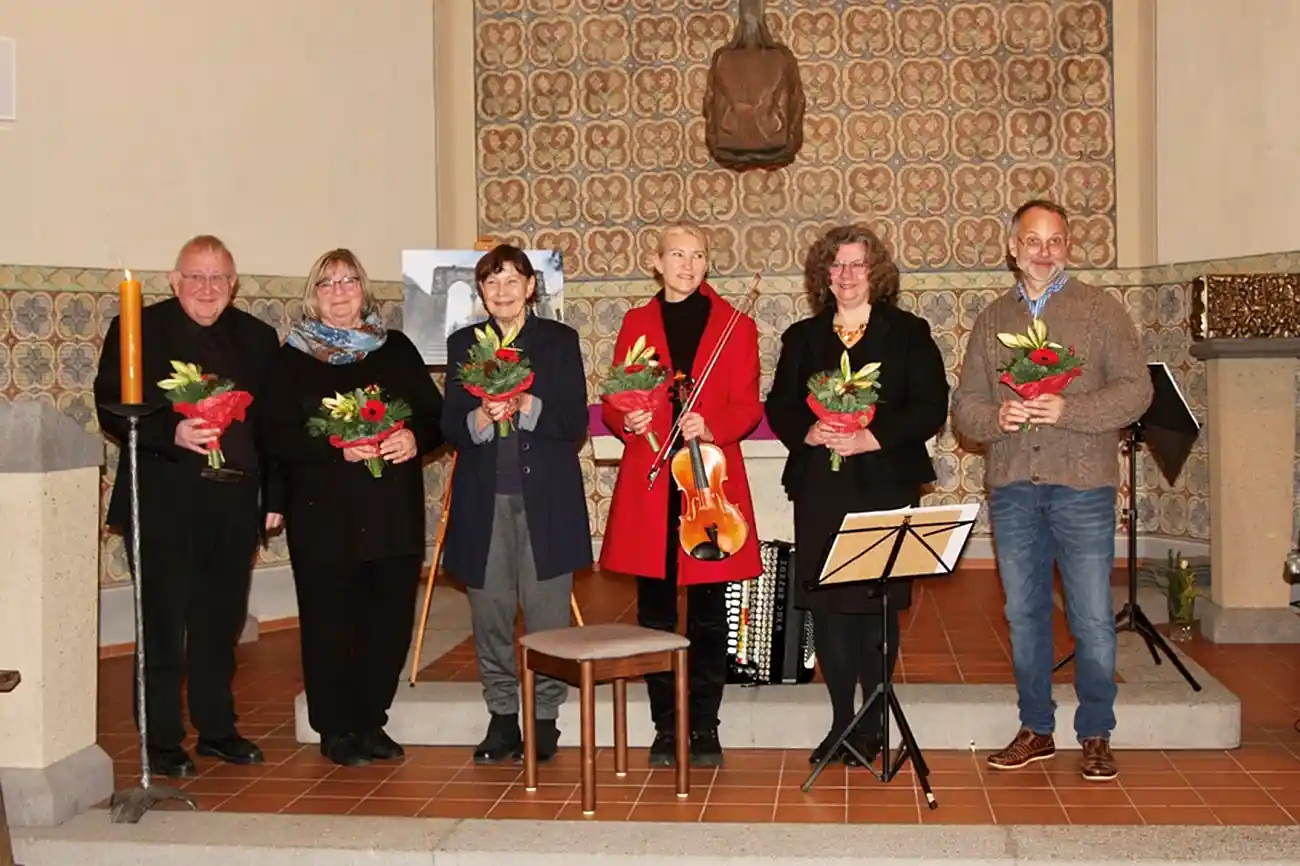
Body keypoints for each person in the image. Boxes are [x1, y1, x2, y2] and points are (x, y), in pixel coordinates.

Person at [951, 199, 1152, 782]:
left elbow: (1136, 391)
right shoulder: (991, 319)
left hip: (1083, 486)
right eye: (1033, 241)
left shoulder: (1100, 310)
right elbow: (965, 406)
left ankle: (1094, 733)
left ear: (1068, 247)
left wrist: (1070, 408)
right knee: (1025, 614)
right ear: (1012, 247)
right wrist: (996, 419)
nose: (1045, 251)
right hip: (1014, 486)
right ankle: (1036, 728)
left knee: (1091, 617)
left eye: (1056, 241)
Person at [93, 234, 282, 777]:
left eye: (218, 278)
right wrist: (169, 430)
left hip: (235, 501)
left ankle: (217, 728)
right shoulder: (138, 329)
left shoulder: (257, 337)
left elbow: (273, 425)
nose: (206, 288)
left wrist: (272, 495)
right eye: (195, 277)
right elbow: (111, 402)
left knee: (219, 624)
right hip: (163, 501)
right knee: (162, 625)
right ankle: (161, 741)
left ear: (233, 284)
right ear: (174, 282)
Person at [765, 224, 949, 765]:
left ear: (876, 273)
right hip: (821, 487)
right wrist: (808, 430)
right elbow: (779, 405)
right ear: (824, 274)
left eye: (856, 265)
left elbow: (930, 405)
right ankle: (842, 720)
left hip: (883, 482)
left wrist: (873, 435)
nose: (846, 275)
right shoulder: (802, 337)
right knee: (828, 609)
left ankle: (872, 721)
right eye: (837, 266)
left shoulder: (908, 332)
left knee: (875, 606)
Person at [262, 249, 445, 767]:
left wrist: (414, 437)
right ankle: (335, 727)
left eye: (348, 281)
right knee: (329, 622)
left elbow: (435, 417)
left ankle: (371, 719)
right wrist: (332, 448)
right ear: (313, 295)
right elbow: (275, 435)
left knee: (387, 620)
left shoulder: (396, 349)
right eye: (327, 283)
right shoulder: (291, 358)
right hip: (323, 512)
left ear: (364, 289)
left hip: (392, 511)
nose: (339, 291)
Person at [600, 221, 763, 768]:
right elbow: (615, 400)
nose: (687, 265)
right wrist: (632, 416)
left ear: (706, 263)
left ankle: (705, 725)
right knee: (655, 615)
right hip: (653, 483)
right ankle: (666, 726)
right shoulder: (636, 323)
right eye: (676, 254)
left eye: (697, 256)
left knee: (711, 614)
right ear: (657, 261)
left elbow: (747, 405)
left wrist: (711, 425)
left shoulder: (735, 326)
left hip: (707, 484)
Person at [441, 244, 592, 764]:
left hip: (546, 499)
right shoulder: (464, 344)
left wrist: (526, 403)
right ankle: (503, 715)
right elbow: (449, 428)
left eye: (512, 281)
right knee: (491, 613)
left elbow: (574, 423)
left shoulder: (557, 341)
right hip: (484, 501)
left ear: (531, 286)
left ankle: (544, 717)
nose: (501, 292)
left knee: (547, 613)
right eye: (491, 283)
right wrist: (482, 415)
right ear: (481, 292)